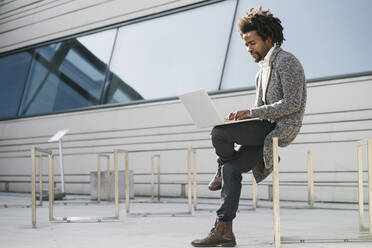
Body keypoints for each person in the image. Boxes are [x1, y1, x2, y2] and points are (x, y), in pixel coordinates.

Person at [191, 6, 307, 247]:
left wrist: (252, 113)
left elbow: (293, 103)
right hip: (261, 128)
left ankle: (221, 167)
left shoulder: (287, 61)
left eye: (252, 43)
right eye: (245, 45)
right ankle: (224, 230)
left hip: (278, 129)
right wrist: (243, 118)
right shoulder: (260, 73)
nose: (249, 49)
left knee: (219, 133)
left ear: (268, 38)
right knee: (233, 169)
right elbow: (258, 110)